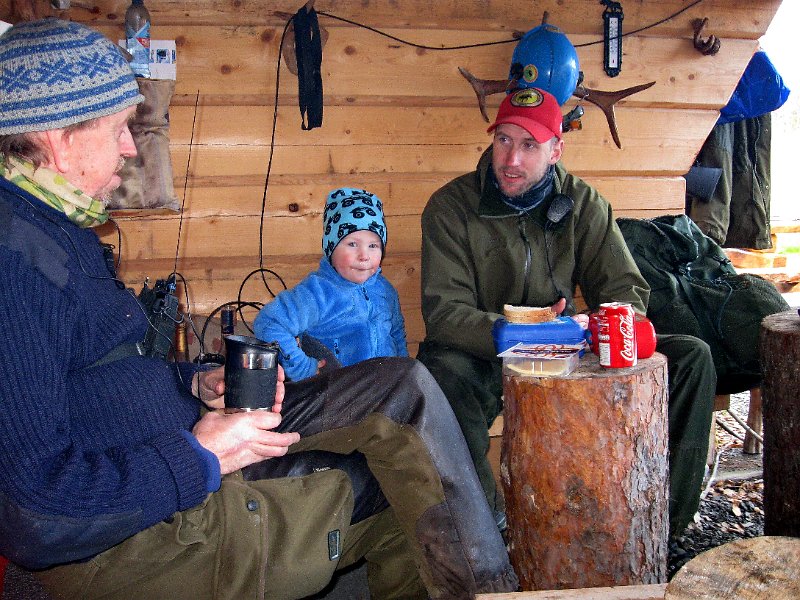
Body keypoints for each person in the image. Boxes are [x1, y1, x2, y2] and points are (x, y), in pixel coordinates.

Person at [0, 19, 518, 599]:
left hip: (181, 436)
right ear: (59, 138)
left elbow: (99, 379)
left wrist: (196, 382)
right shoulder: (15, 264)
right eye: (120, 128)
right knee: (411, 483)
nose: (129, 147)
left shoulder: (53, 229)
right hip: (153, 530)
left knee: (405, 385)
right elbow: (34, 513)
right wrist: (201, 455)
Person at [416, 87, 716, 537]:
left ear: (556, 149)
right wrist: (516, 334)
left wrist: (590, 327)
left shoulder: (584, 204)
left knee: (692, 357)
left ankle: (661, 529)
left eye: (529, 145)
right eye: (503, 140)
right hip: (486, 351)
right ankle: (485, 533)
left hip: (569, 345)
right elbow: (445, 312)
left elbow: (625, 292)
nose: (511, 159)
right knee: (435, 379)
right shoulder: (451, 206)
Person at [254, 187, 407, 381]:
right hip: (338, 392)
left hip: (385, 389)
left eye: (373, 245)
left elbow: (397, 334)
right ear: (331, 247)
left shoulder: (385, 290)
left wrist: (403, 373)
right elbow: (269, 323)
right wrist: (302, 367)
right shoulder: (318, 293)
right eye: (352, 244)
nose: (364, 256)